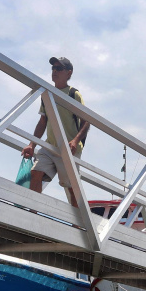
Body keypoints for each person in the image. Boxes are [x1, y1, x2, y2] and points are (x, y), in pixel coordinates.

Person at [21, 57, 90, 208]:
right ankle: (32, 213)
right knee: (36, 173)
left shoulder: (73, 94)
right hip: (50, 146)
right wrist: (32, 145)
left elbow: (86, 122)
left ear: (68, 73)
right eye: (53, 68)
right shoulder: (47, 93)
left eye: (59, 68)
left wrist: (75, 141)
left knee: (71, 188)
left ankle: (78, 222)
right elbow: (42, 122)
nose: (54, 71)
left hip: (69, 149)